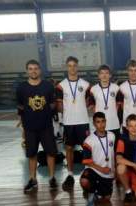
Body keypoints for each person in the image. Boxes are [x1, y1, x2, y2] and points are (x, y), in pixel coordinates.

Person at [16, 59, 58, 193]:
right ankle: (33, 179)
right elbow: (21, 107)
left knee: (51, 152)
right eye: (30, 68)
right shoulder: (21, 88)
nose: (33, 71)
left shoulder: (48, 86)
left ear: (39, 70)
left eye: (35, 68)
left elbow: (52, 105)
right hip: (30, 128)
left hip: (46, 126)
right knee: (31, 154)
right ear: (27, 71)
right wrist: (22, 124)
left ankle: (52, 177)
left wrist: (46, 116)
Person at [56, 56, 91, 190]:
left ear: (78, 67)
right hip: (68, 122)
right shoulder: (60, 86)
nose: (72, 68)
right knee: (69, 148)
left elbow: (89, 103)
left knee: (86, 147)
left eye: (74, 65)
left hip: (82, 121)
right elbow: (59, 106)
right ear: (66, 67)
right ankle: (70, 174)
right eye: (69, 65)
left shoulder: (86, 85)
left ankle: (88, 171)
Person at [80, 112, 116, 206]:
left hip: (108, 173)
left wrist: (114, 169)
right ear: (94, 124)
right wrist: (101, 169)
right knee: (84, 181)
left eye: (103, 121)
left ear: (106, 121)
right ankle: (90, 192)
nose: (101, 124)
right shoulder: (88, 140)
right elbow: (87, 161)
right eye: (98, 122)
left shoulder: (112, 136)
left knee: (106, 198)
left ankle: (96, 193)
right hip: (94, 170)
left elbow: (115, 155)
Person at [88, 65, 121, 142]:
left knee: (115, 148)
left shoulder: (116, 88)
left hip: (114, 124)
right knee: (102, 148)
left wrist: (112, 114)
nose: (104, 75)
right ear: (99, 75)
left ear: (110, 75)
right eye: (102, 73)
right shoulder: (93, 89)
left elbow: (118, 105)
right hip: (100, 125)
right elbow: (92, 106)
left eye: (106, 73)